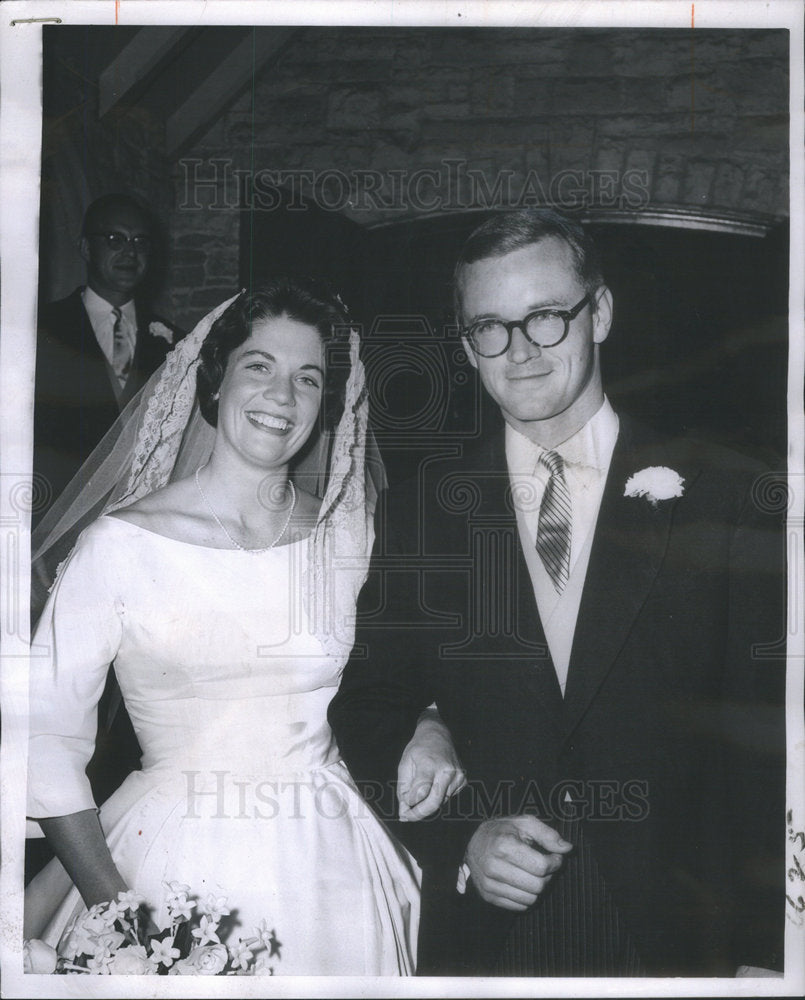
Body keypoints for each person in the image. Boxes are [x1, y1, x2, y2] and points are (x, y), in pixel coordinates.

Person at [329, 209, 786, 976]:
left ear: (597, 313)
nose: (520, 351)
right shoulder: (424, 510)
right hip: (494, 937)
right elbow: (366, 705)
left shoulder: (724, 492)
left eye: (544, 317)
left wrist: (765, 947)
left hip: (682, 936)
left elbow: (766, 735)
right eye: (489, 327)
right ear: (466, 345)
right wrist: (461, 836)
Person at [25, 278, 426, 975]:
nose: (282, 395)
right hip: (165, 862)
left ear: (327, 403)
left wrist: (431, 720)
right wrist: (120, 914)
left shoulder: (348, 538)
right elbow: (44, 738)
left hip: (331, 863)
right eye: (258, 366)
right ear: (215, 381)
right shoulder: (120, 546)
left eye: (308, 378)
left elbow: (399, 677)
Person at [34, 192, 181, 527]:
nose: (130, 252)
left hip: (141, 520)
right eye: (115, 239)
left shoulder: (176, 342)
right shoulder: (41, 329)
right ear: (86, 248)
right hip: (56, 517)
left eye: (140, 242)